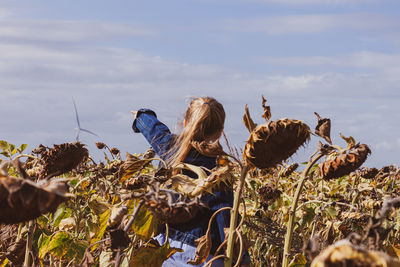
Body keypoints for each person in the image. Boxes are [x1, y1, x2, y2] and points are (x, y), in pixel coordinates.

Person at [131, 97, 233, 266]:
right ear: (220, 131)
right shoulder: (220, 169)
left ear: (186, 123)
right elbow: (224, 216)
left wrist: (142, 116)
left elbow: (155, 130)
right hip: (202, 255)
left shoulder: (170, 147)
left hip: (164, 247)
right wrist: (237, 255)